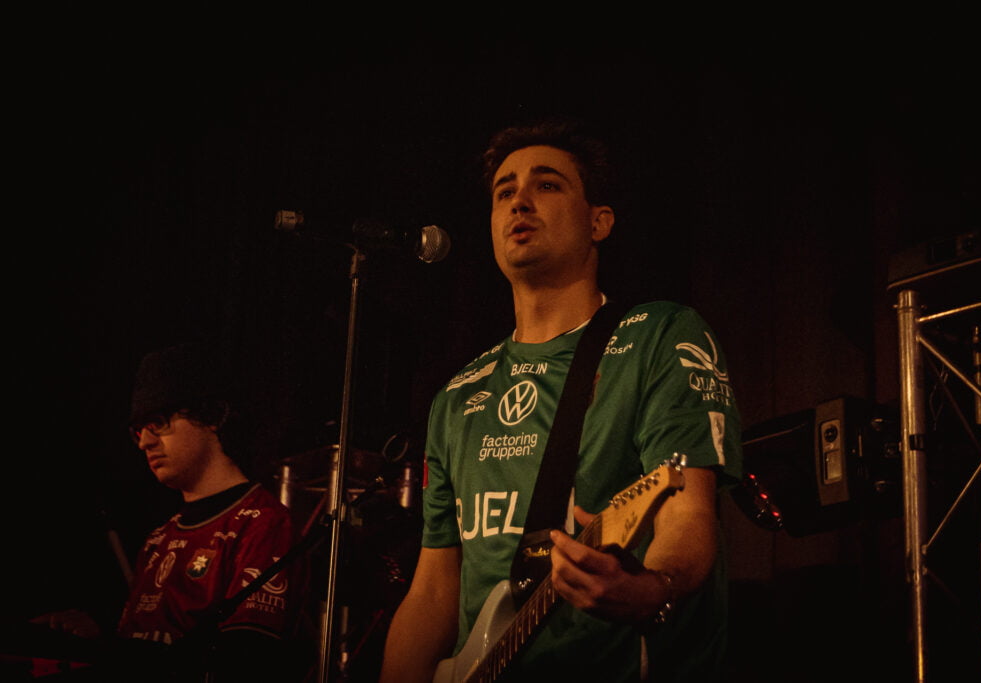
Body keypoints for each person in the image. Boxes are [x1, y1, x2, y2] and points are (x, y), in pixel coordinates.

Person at [379, 120, 743, 682]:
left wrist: (655, 586)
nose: (519, 201)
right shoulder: (457, 396)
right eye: (504, 192)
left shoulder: (659, 336)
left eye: (547, 185)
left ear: (599, 221)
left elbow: (686, 512)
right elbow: (432, 591)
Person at [32, 342, 306, 681]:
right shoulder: (158, 539)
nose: (145, 442)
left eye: (158, 422)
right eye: (138, 431)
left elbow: (244, 656)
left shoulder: (262, 522)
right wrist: (98, 634)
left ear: (211, 417)